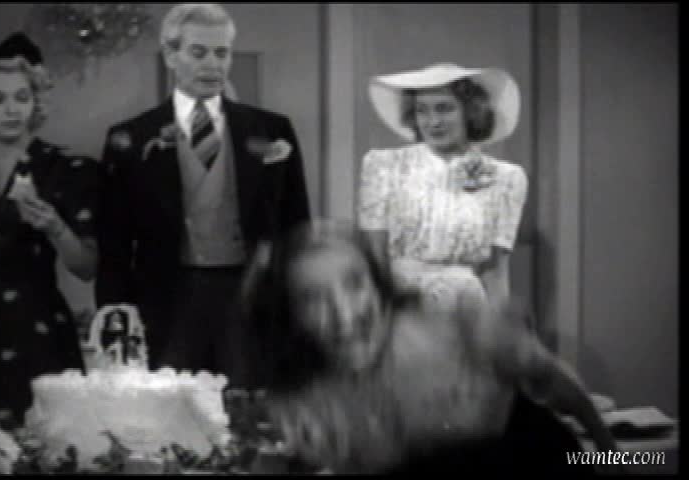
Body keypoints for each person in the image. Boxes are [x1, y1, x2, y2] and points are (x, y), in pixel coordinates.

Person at [243, 220, 616, 474]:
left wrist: (612, 458)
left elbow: (557, 384)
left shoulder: (462, 331)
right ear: (290, 317)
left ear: (379, 288)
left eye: (355, 284)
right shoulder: (302, 395)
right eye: (312, 298)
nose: (344, 313)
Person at [95, 4, 311, 385]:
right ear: (170, 55)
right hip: (166, 302)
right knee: (170, 407)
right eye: (198, 52)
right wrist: (116, 315)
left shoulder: (272, 129)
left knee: (248, 407)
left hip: (250, 299)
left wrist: (298, 304)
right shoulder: (131, 137)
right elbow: (113, 242)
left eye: (221, 53)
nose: (212, 64)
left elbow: (297, 227)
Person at [0, 33, 97, 427]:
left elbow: (86, 267)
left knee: (42, 441)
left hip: (36, 324)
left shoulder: (65, 169)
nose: (11, 110)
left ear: (36, 103)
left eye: (21, 98)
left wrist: (55, 226)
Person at [358, 62, 527, 317]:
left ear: (471, 112)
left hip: (466, 308)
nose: (433, 121)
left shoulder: (506, 178)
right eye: (422, 110)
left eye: (444, 108)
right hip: (402, 304)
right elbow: (374, 256)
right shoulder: (384, 166)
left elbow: (495, 271)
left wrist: (499, 329)